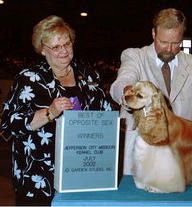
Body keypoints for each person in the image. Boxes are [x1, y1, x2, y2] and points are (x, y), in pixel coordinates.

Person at [0, 15, 112, 206]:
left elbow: (107, 115)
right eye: (56, 47)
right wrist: (49, 112)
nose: (64, 51)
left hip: (83, 170)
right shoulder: (28, 79)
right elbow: (9, 125)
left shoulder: (89, 75)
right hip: (38, 175)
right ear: (43, 50)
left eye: (67, 44)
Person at [110, 8, 192, 175]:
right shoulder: (134, 56)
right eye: (164, 42)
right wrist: (127, 92)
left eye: (176, 43)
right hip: (139, 149)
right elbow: (122, 81)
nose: (169, 49)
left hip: (179, 149)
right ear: (154, 34)